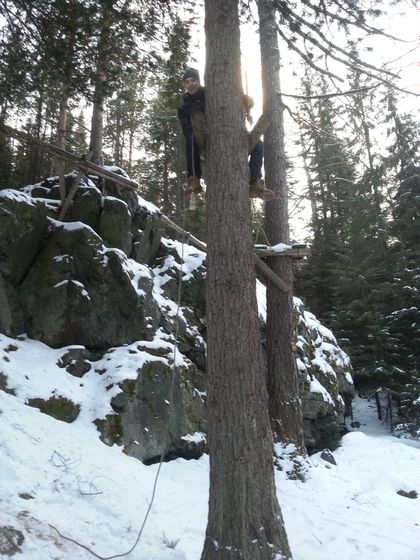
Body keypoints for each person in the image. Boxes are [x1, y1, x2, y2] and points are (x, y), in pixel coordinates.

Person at [177, 67, 274, 201]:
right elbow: (187, 131)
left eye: (193, 80)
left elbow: (228, 98)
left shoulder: (210, 93)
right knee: (190, 137)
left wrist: (246, 100)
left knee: (258, 144)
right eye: (187, 82)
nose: (190, 84)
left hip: (225, 137)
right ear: (184, 85)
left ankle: (255, 183)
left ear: (198, 81)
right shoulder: (183, 108)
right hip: (202, 141)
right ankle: (194, 178)